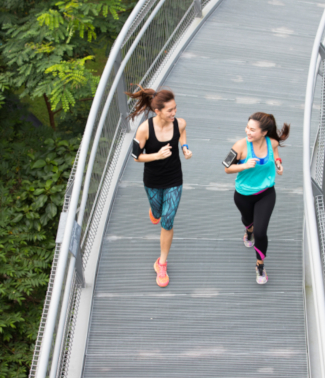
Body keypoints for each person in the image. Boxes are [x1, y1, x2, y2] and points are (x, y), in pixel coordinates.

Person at [126, 85, 192, 287]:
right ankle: (154, 211)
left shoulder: (179, 123)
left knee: (168, 219)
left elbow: (182, 133)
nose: (175, 113)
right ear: (158, 111)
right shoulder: (145, 128)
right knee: (158, 212)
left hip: (174, 179)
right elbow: (135, 156)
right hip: (153, 181)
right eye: (170, 110)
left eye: (175, 108)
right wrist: (157, 155)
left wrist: (185, 148)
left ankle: (161, 262)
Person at [224, 112, 290, 284]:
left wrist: (278, 164)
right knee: (248, 221)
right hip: (243, 195)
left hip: (266, 193)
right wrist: (244, 165)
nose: (248, 131)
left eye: (253, 129)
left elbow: (275, 154)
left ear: (264, 132)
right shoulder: (240, 145)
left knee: (261, 232)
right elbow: (226, 168)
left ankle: (259, 265)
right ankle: (248, 231)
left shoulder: (272, 142)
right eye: (247, 127)